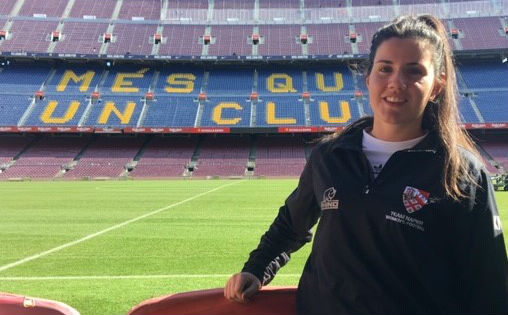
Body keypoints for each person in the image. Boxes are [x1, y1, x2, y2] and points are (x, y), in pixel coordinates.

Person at [224, 15, 508, 314]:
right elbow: (289, 226)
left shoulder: (462, 174)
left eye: (414, 72)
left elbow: (489, 286)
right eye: (385, 68)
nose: (397, 83)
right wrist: (256, 270)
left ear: (437, 86)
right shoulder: (330, 156)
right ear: (368, 77)